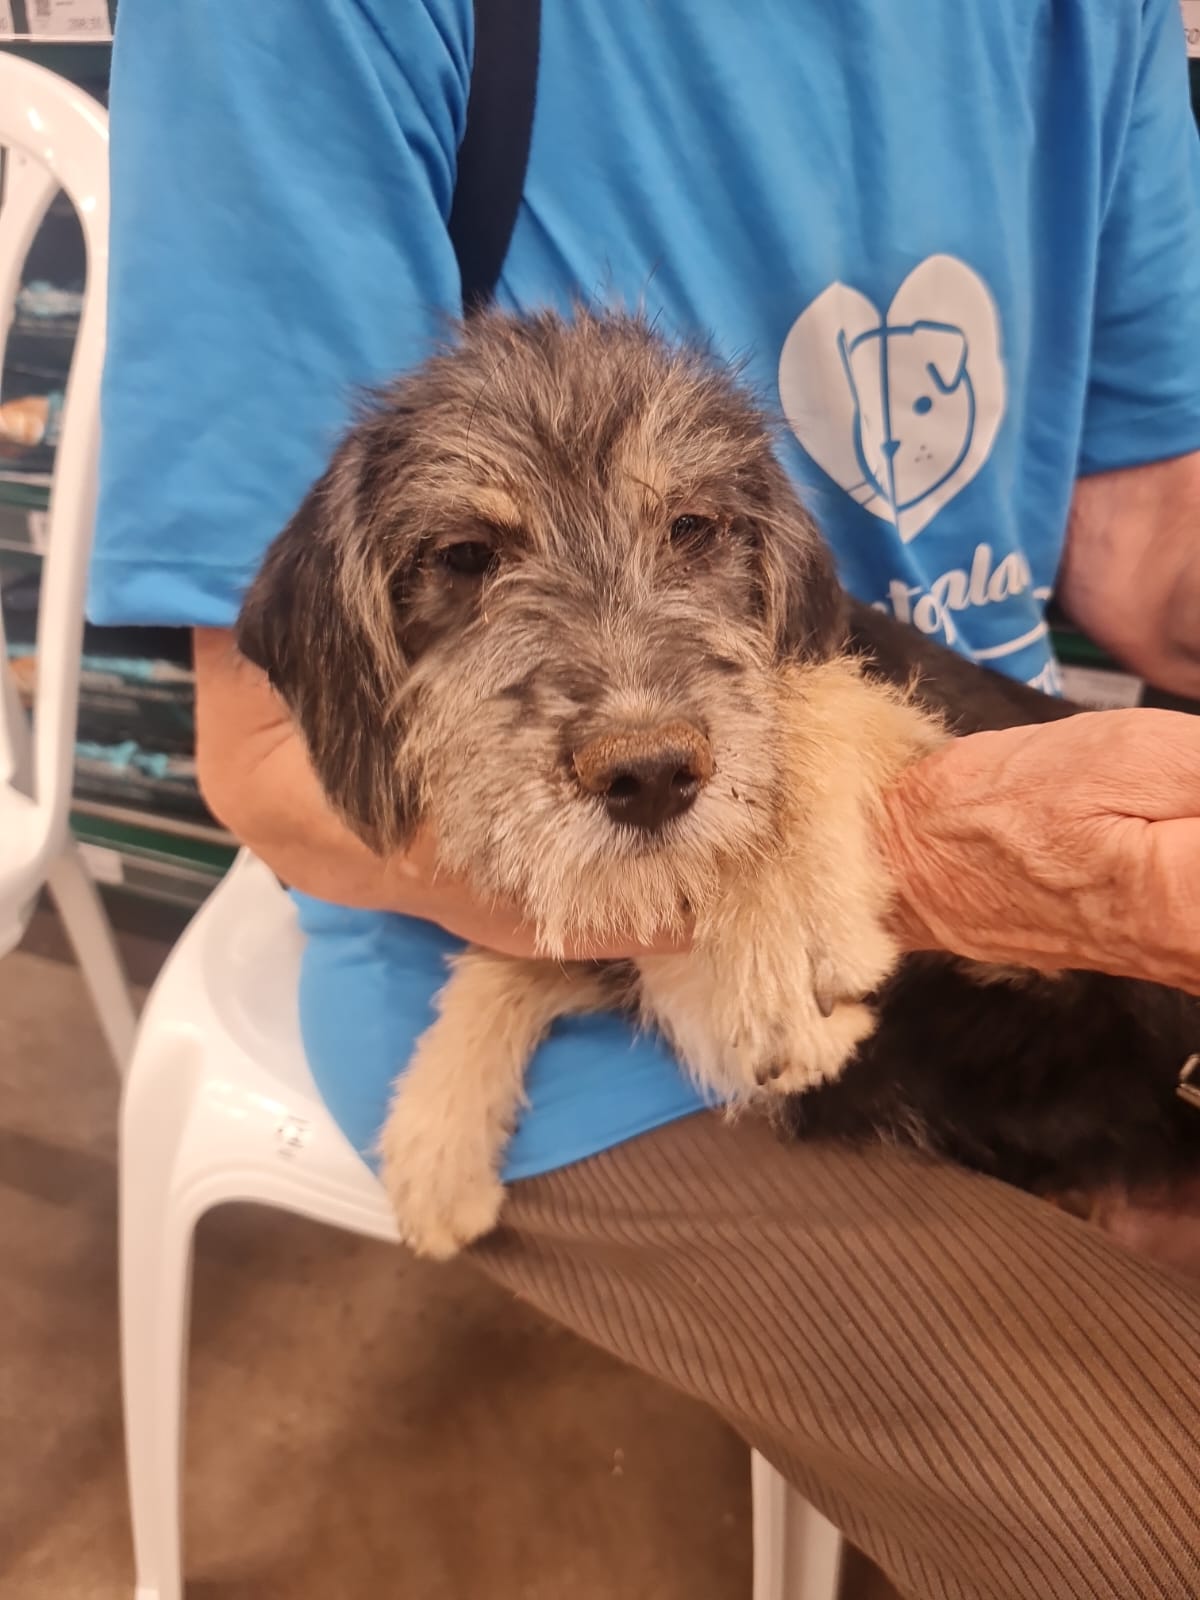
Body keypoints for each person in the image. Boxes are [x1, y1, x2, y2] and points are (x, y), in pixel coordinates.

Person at [94, 3, 1200, 1595]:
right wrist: (886, 854)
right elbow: (277, 762)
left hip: (1003, 864)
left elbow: (1150, 548)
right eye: (471, 559)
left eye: (693, 534)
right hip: (524, 937)